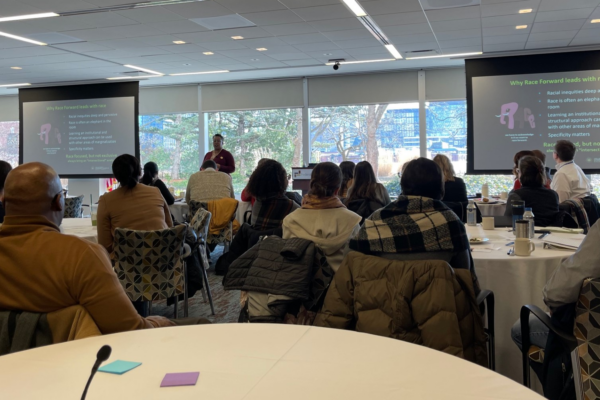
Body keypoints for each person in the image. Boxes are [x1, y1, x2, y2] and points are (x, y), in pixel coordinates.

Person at [0, 162, 174, 333]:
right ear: (58, 202)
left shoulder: (106, 203)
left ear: (3, 201)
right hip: (79, 356)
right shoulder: (81, 256)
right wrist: (159, 323)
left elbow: (107, 245)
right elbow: (129, 330)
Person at [350, 157, 477, 280]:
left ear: (403, 186)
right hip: (436, 300)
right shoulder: (450, 222)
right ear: (441, 188)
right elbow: (465, 275)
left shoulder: (376, 220)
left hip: (380, 299)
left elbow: (352, 264)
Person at [282, 162, 361, 272]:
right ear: (337, 190)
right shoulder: (352, 221)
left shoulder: (290, 221)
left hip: (299, 286)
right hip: (340, 286)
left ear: (311, 185)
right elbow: (357, 264)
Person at [97, 154, 173, 254]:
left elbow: (105, 246)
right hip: (163, 261)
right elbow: (170, 226)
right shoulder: (155, 192)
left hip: (127, 267)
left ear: (116, 176)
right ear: (140, 172)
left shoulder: (106, 200)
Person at [504, 156, 560, 227]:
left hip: (525, 234)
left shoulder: (516, 196)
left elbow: (507, 222)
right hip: (551, 235)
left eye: (518, 171)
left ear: (522, 174)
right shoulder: (553, 195)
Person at [247, 159, 300, 231]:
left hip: (256, 241)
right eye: (286, 177)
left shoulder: (258, 201)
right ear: (280, 181)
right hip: (278, 241)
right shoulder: (289, 205)